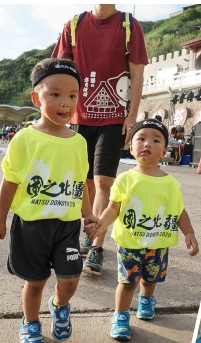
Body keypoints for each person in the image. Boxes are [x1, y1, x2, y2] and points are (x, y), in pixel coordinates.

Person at [0, 58, 94, 343]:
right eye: (55, 94)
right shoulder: (25, 139)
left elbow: (81, 182)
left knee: (70, 279)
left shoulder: (79, 142)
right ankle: (30, 323)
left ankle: (59, 307)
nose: (65, 103)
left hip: (67, 225)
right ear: (36, 98)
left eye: (73, 95)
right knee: (35, 282)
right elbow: (10, 182)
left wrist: (89, 214)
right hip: (31, 225)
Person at [54, 4, 149, 273]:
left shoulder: (129, 25)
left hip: (113, 117)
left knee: (104, 180)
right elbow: (60, 70)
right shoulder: (73, 25)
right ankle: (85, 229)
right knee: (84, 181)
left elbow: (137, 74)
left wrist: (131, 116)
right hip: (78, 117)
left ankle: (96, 245)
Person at [86, 118, 199, 340]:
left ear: (165, 150)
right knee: (128, 282)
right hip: (130, 243)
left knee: (150, 279)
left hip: (158, 244)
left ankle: (146, 301)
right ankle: (120, 316)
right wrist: (100, 225)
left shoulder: (171, 184)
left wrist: (189, 233)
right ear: (131, 147)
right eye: (141, 138)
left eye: (156, 140)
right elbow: (113, 208)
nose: (147, 144)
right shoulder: (125, 179)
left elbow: (179, 212)